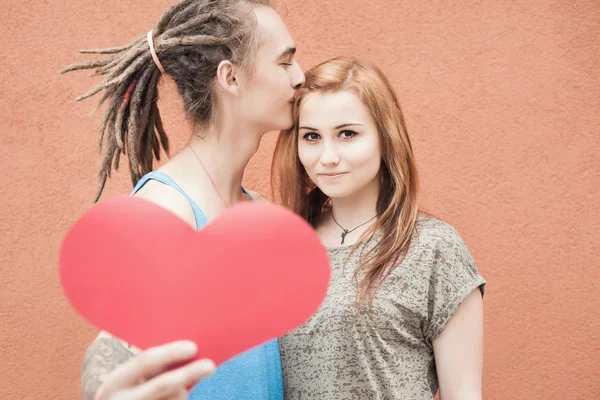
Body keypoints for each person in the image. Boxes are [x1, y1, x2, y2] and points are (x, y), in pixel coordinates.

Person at [61, 0, 305, 398]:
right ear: (231, 77)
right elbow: (113, 344)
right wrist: (105, 389)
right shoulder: (165, 210)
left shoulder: (257, 211)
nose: (300, 77)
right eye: (285, 61)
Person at [273, 57, 486, 400]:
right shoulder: (282, 247)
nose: (327, 156)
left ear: (385, 138)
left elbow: (463, 393)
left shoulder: (433, 248)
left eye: (347, 134)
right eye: (311, 136)